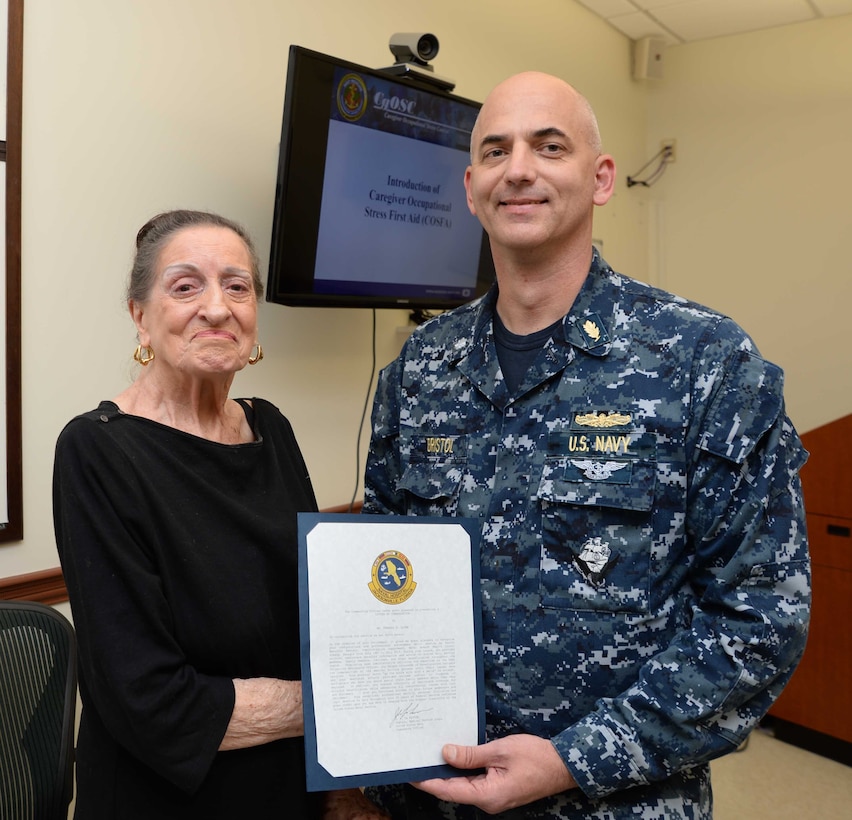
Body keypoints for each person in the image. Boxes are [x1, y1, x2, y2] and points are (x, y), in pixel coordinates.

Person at [361, 73, 811, 818]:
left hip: (616, 803)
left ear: (601, 178)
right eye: (497, 151)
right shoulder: (418, 372)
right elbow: (383, 580)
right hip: (433, 798)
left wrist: (576, 760)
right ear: (472, 188)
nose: (520, 169)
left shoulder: (703, 361)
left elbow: (762, 619)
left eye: (550, 146)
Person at [53, 210, 384, 819]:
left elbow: (319, 619)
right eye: (185, 286)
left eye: (237, 286)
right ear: (140, 317)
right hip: (171, 798)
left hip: (291, 788)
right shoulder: (97, 450)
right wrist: (344, 704)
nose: (217, 307)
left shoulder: (271, 427)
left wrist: (343, 785)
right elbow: (145, 700)